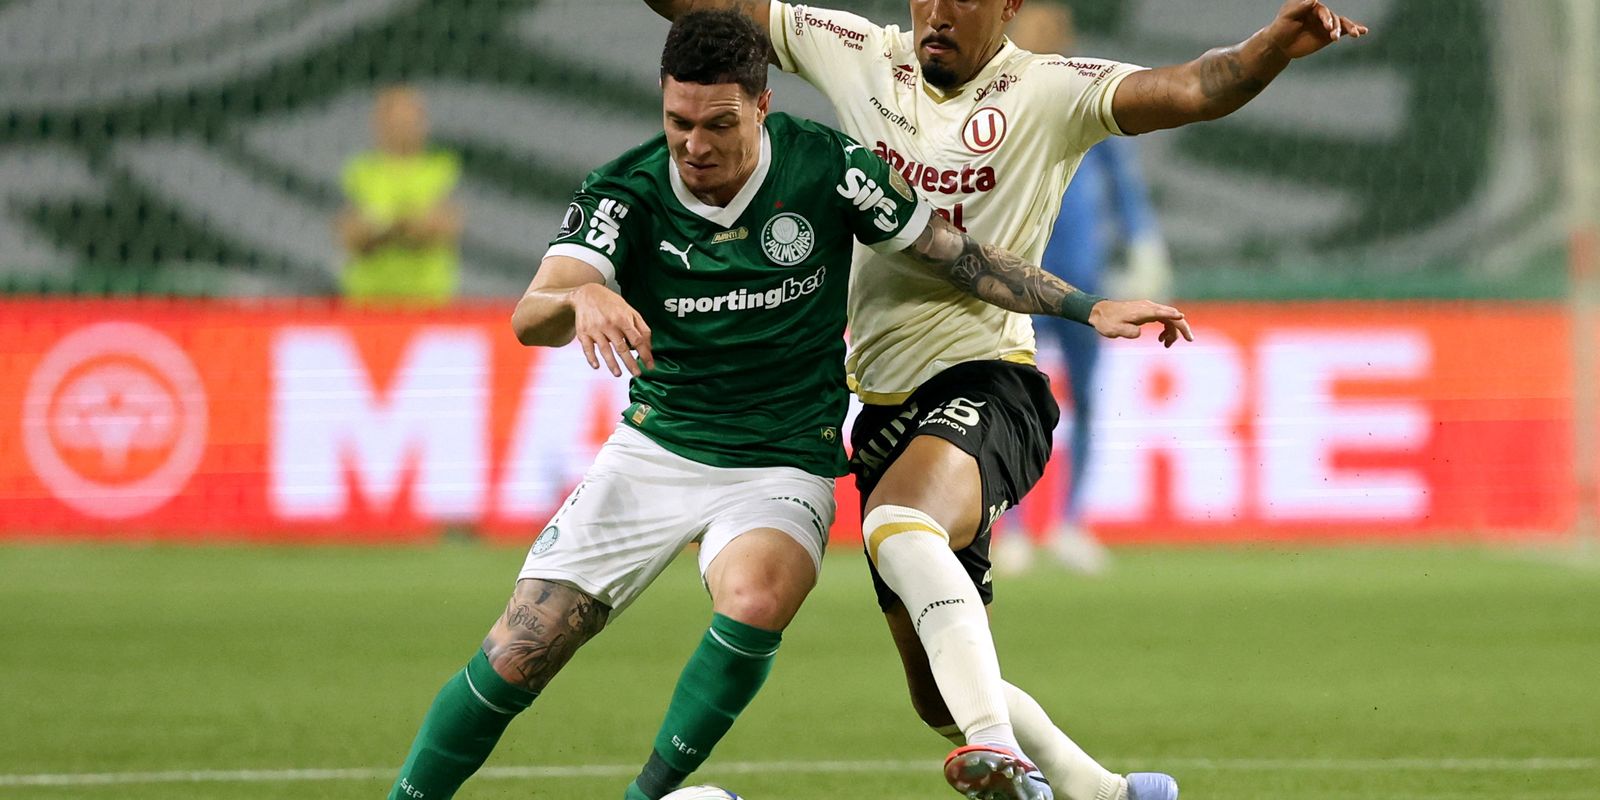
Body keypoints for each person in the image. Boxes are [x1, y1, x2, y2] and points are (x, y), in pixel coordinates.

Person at [383, 11, 1189, 800]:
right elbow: (532, 314)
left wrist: (1085, 307)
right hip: (657, 446)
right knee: (519, 650)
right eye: (678, 122)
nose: (695, 146)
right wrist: (581, 296)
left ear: (762, 105)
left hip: (782, 460)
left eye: (718, 124)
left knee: (758, 596)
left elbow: (956, 256)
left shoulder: (827, 168)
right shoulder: (625, 190)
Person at [636, 2, 1367, 799]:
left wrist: (1272, 47)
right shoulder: (857, 51)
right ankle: (1109, 793)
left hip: (990, 380)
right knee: (936, 696)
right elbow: (713, 6)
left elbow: (1196, 87)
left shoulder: (1051, 89)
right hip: (881, 408)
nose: (938, 13)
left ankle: (999, 753)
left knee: (897, 524)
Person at [993, 2, 1173, 577]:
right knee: (1012, 398)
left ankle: (1072, 522)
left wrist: (1143, 244)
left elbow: (1125, 188)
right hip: (1019, 280)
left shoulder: (1091, 107)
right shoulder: (1001, 110)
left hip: (1085, 283)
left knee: (1088, 398)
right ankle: (1011, 526)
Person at [335, 85, 463, 305]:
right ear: (379, 124)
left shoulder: (443, 168)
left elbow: (445, 226)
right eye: (395, 120)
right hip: (368, 302)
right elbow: (350, 234)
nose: (403, 127)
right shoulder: (359, 171)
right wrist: (408, 222)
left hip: (429, 301)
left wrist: (382, 223)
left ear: (423, 122)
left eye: (409, 119)